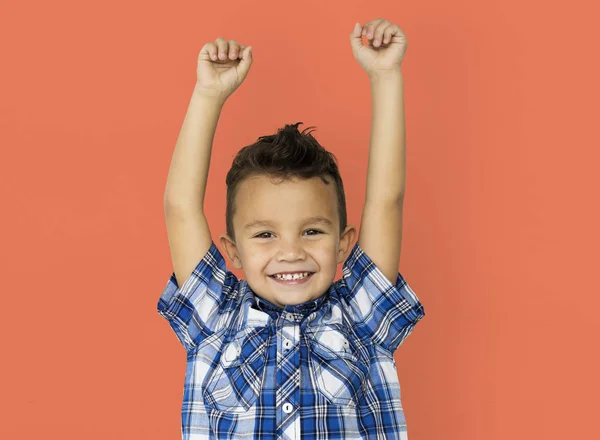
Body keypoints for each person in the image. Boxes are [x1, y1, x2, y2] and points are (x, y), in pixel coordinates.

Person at [158, 17, 426, 440]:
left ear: (343, 244)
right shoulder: (216, 318)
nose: (291, 252)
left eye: (312, 232)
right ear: (232, 251)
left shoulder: (360, 316)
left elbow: (386, 200)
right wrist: (209, 94)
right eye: (265, 234)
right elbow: (180, 207)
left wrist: (385, 75)